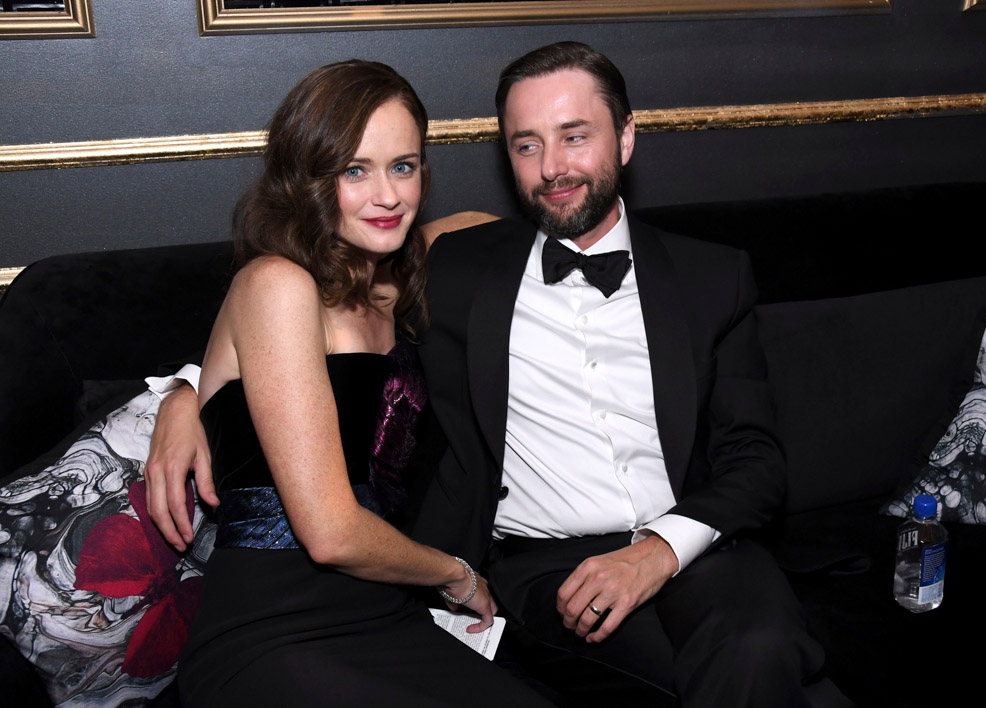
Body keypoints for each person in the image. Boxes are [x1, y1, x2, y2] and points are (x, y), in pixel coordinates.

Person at [149, 45, 835, 707]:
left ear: (626, 138)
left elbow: (757, 460)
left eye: (403, 166)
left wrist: (660, 550)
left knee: (754, 647)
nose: (553, 167)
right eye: (527, 144)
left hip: (683, 543)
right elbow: (268, 334)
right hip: (480, 575)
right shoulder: (454, 271)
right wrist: (183, 394)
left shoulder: (431, 265)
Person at [169, 60, 550, 707]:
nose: (388, 194)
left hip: (381, 615)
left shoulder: (392, 287)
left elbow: (475, 227)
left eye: (403, 166)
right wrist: (456, 576)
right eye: (355, 170)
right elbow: (331, 531)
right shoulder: (277, 283)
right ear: (307, 177)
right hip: (272, 628)